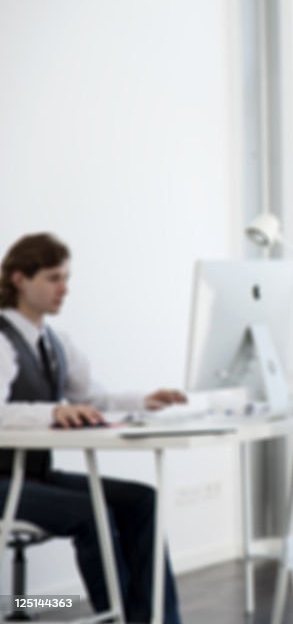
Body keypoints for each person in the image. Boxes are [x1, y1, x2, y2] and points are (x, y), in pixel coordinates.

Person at [0, 233, 186, 624]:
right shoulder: (2, 341)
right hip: (5, 481)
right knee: (91, 512)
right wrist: (53, 413)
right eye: (53, 278)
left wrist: (145, 400)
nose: (64, 289)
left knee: (141, 499)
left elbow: (93, 398)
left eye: (66, 277)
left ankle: (158, 619)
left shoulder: (55, 342)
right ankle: (116, 618)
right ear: (19, 279)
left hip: (35, 475)